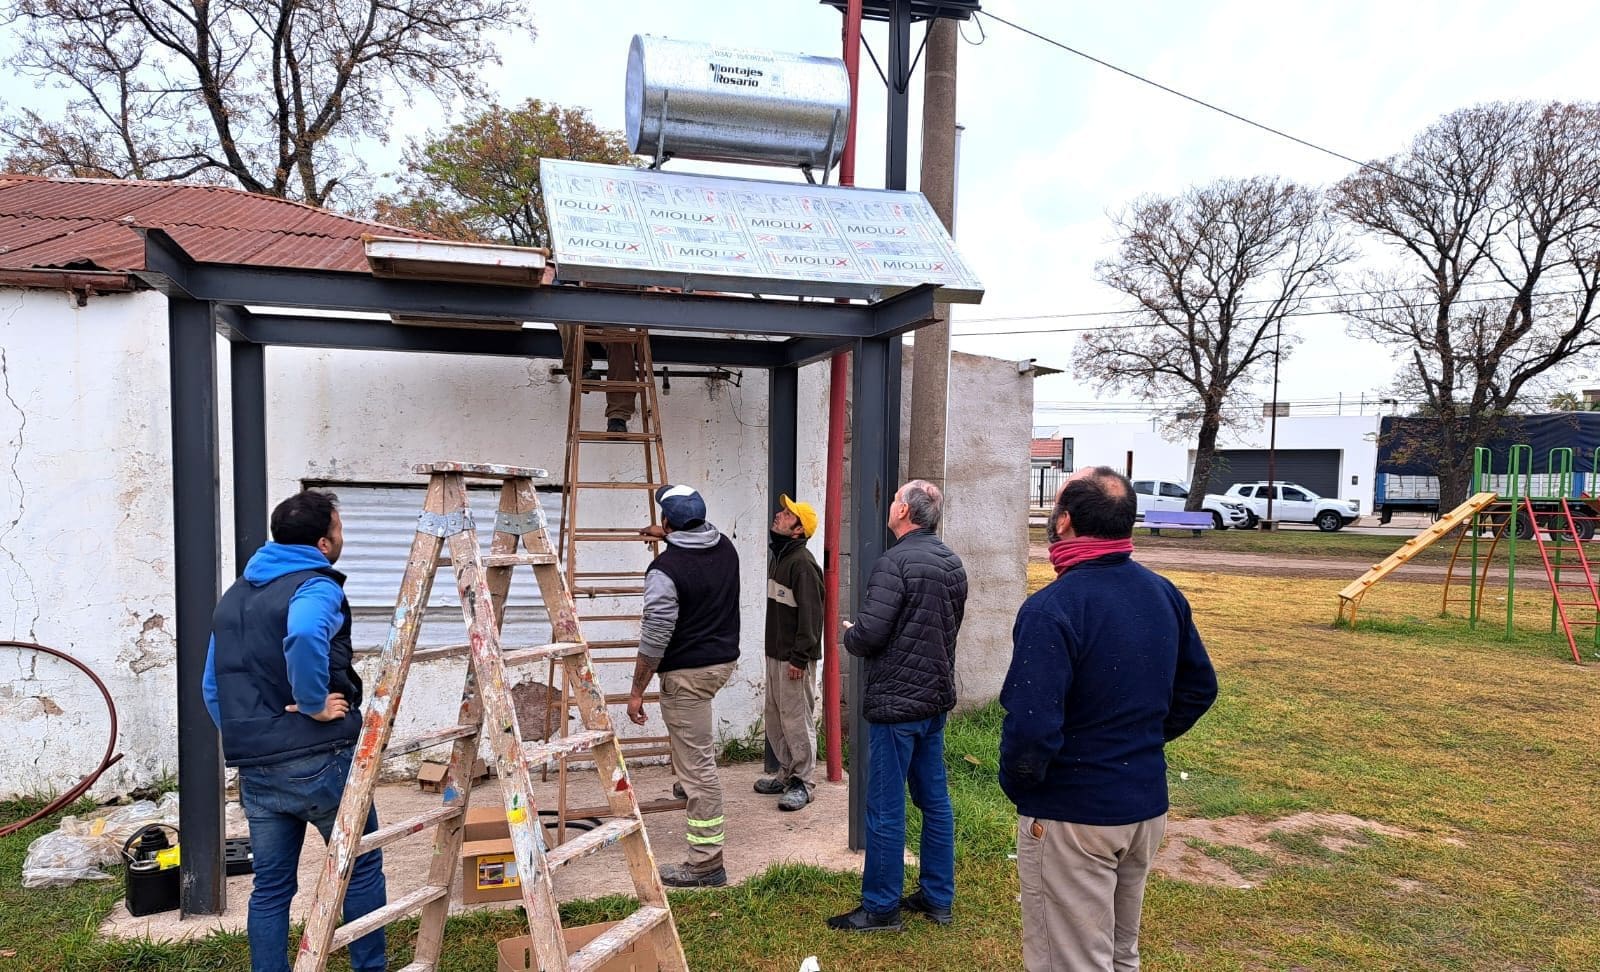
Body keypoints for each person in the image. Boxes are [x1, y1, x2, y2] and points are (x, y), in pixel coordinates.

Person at [1000, 467, 1218, 972]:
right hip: (1143, 809)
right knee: (1120, 954)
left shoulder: (1052, 608)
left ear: (1065, 522)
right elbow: (1199, 689)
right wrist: (1136, 743)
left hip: (1075, 814)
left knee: (1072, 961)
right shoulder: (1162, 592)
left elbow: (1031, 727)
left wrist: (1026, 789)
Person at [202, 490, 387, 972]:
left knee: (270, 888)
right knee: (359, 867)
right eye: (341, 528)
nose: (342, 536)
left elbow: (211, 687)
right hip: (319, 760)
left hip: (257, 768)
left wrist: (255, 735)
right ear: (324, 543)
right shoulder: (316, 586)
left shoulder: (234, 598)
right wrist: (312, 706)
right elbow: (305, 634)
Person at [830, 480, 967, 933]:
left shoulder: (894, 563)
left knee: (886, 808)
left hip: (896, 704)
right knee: (936, 803)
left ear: (905, 510)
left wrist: (849, 632)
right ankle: (937, 898)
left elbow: (870, 635)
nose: (889, 505)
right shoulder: (952, 563)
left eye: (893, 500)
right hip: (933, 701)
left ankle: (881, 908)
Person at [628, 484, 741, 887]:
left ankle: (706, 863)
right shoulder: (725, 547)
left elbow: (656, 634)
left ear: (668, 521)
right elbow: (699, 549)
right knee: (691, 751)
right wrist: (671, 535)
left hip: (687, 675)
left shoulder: (665, 571)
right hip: (721, 663)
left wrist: (637, 689)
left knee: (699, 769)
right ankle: (687, 788)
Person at [757, 493, 823, 812]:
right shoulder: (780, 558)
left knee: (797, 720)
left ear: (798, 530)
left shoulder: (803, 565)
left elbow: (812, 616)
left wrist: (800, 657)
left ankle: (803, 783)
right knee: (775, 716)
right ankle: (786, 773)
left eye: (787, 514)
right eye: (783, 511)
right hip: (776, 654)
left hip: (794, 659)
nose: (780, 515)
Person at [557, 324, 638, 434]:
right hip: (573, 315)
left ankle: (618, 415)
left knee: (621, 338)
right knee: (570, 320)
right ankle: (581, 372)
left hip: (607, 316)